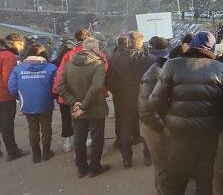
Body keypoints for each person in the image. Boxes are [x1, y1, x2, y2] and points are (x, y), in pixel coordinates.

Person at [148, 31, 223, 195]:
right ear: (213, 48)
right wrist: (216, 126)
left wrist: (169, 119)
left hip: (180, 135)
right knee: (204, 179)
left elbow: (154, 101)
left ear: (192, 45)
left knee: (176, 181)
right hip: (208, 135)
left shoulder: (173, 65)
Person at [57, 38, 110, 178]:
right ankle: (94, 168)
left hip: (76, 108)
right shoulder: (98, 64)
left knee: (79, 138)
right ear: (94, 49)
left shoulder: (69, 64)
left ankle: (81, 168)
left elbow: (60, 87)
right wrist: (83, 105)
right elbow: (97, 86)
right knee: (97, 138)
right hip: (95, 108)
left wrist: (75, 103)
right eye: (98, 48)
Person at [139, 44, 187, 195]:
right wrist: (164, 129)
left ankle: (160, 190)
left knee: (161, 166)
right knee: (164, 166)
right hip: (155, 127)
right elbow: (146, 110)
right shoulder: (156, 75)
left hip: (159, 123)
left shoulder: (165, 69)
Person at [106, 31, 155, 168]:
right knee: (147, 128)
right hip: (146, 98)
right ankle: (148, 156)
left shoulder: (116, 59)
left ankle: (126, 159)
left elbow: (109, 81)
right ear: (142, 42)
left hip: (125, 99)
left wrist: (118, 93)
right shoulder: (151, 59)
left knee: (125, 130)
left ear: (128, 42)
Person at [8, 44, 57, 163]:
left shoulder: (18, 69)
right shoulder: (51, 68)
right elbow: (56, 86)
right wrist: (53, 96)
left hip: (27, 102)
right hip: (46, 101)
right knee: (46, 126)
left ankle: (36, 154)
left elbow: (12, 87)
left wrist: (21, 98)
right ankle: (46, 152)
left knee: (32, 127)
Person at [52, 28, 93, 152]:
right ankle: (86, 141)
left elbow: (60, 75)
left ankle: (67, 144)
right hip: (88, 93)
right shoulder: (95, 52)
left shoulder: (68, 54)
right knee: (88, 118)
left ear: (76, 39)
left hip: (69, 93)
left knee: (68, 118)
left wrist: (58, 91)